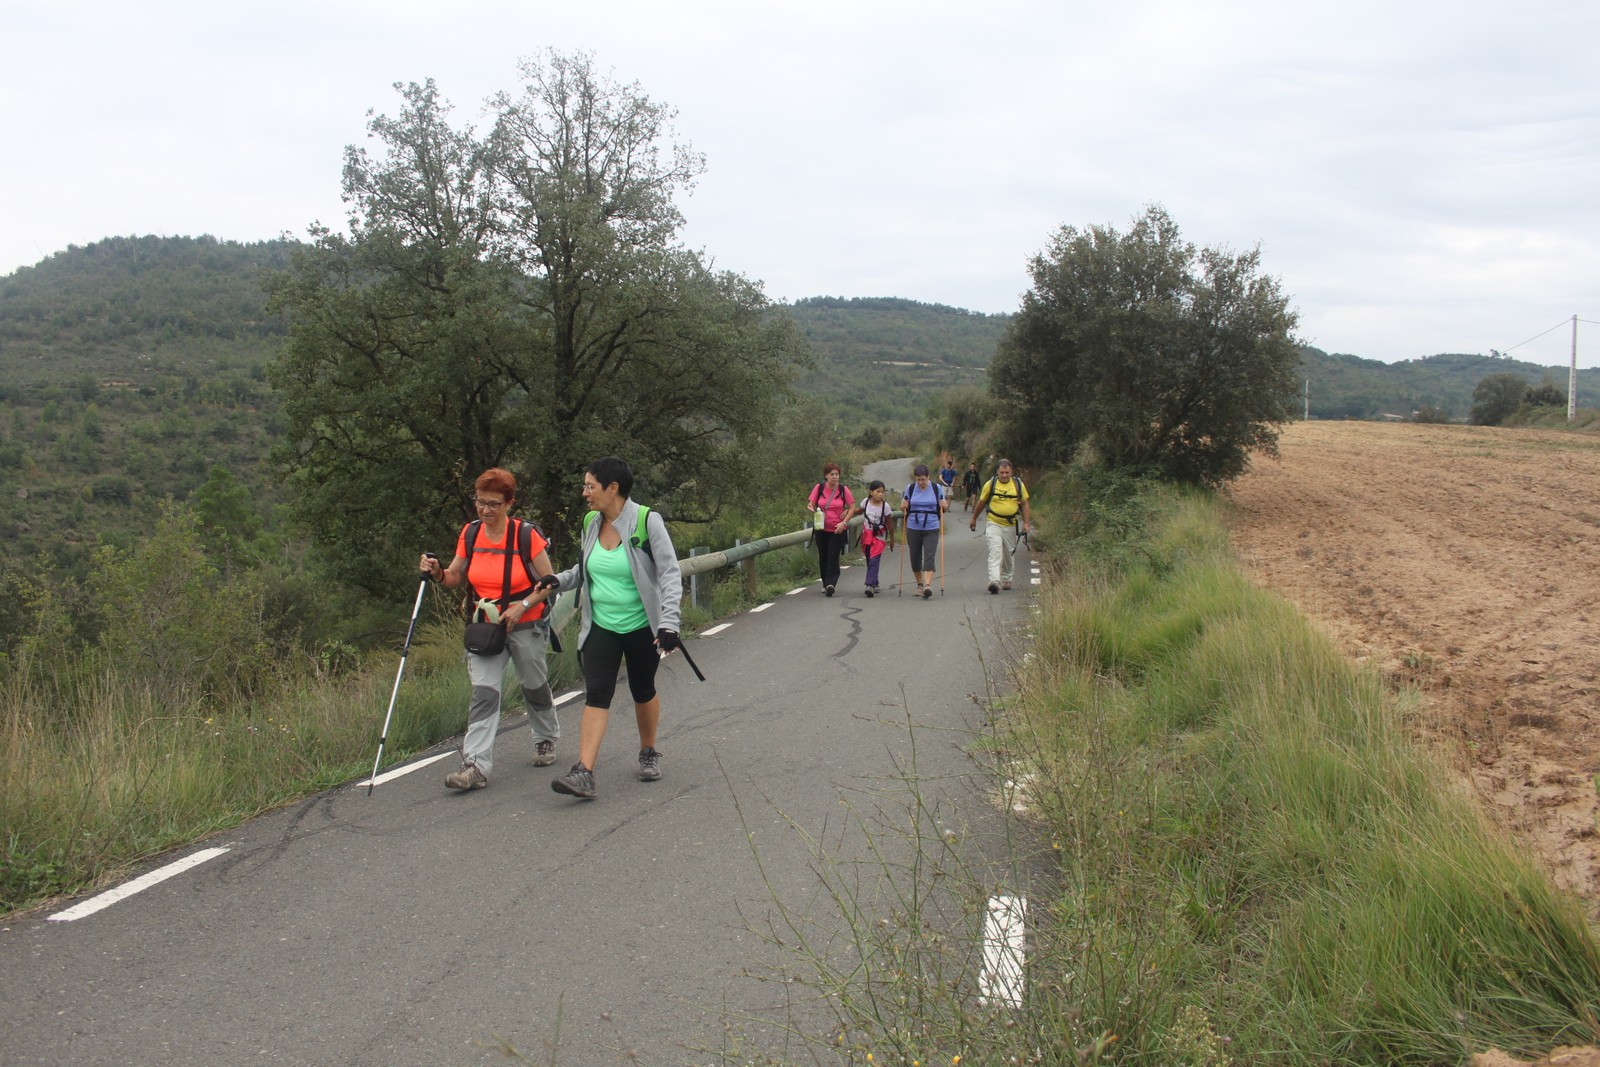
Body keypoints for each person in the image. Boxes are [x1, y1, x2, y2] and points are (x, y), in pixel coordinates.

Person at [535, 456, 683, 800]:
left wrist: (669, 623)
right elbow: (585, 568)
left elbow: (669, 573)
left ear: (612, 488)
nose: (584, 493)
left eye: (590, 486)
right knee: (597, 693)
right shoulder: (591, 521)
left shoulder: (646, 521)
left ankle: (648, 751)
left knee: (642, 689)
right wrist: (558, 580)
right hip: (601, 625)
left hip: (641, 626)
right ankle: (583, 772)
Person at [419, 468, 559, 791]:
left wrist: (522, 605)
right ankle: (475, 765)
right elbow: (455, 576)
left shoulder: (525, 536)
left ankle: (545, 737)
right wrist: (437, 571)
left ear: (509, 503)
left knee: (533, 684)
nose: (485, 510)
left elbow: (550, 582)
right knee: (484, 693)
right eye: (480, 502)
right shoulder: (470, 534)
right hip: (486, 627)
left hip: (526, 623)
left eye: (493, 504)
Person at [969, 458, 1032, 594]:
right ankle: (994, 581)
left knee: (1009, 553)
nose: (1004, 475)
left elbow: (1025, 504)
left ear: (1011, 472)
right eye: (1002, 472)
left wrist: (1026, 523)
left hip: (1010, 524)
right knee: (995, 551)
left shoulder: (1017, 485)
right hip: (994, 523)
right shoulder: (990, 484)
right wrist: (974, 518)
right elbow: (981, 502)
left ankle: (1007, 578)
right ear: (997, 472)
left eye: (1007, 472)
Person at [807, 462, 855, 597]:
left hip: (837, 529)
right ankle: (825, 582)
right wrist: (811, 507)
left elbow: (852, 507)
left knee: (833, 556)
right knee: (823, 556)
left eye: (837, 474)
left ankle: (831, 584)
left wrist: (844, 523)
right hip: (821, 528)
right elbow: (811, 503)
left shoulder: (843, 489)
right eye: (832, 474)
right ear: (826, 476)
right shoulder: (819, 488)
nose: (834, 477)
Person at [901, 464, 947, 599]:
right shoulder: (910, 488)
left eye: (923, 479)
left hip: (931, 527)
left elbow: (943, 507)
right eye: (918, 480)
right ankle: (919, 584)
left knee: (929, 555)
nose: (921, 482)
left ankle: (927, 585)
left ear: (928, 477)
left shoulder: (936, 488)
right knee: (914, 557)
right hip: (913, 527)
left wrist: (944, 506)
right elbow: (904, 508)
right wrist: (903, 506)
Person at [845, 479, 895, 597]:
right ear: (871, 492)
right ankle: (875, 582)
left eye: (882, 492)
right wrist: (849, 511)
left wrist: (892, 539)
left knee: (874, 559)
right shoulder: (866, 502)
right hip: (867, 535)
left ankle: (870, 585)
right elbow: (859, 511)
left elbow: (889, 523)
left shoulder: (885, 507)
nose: (880, 494)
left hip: (879, 536)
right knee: (869, 558)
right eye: (878, 491)